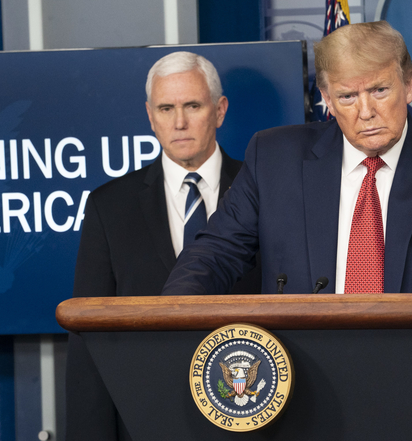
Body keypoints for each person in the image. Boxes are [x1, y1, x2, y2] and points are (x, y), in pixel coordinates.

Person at [162, 22, 412, 439]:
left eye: (379, 91)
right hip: (307, 396)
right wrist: (168, 314)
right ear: (327, 100)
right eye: (348, 96)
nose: (365, 111)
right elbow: (217, 250)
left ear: (409, 84)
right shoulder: (276, 157)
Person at [66, 51, 261, 441]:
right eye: (166, 108)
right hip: (145, 418)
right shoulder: (110, 205)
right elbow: (89, 336)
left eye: (193, 105)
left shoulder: (264, 189)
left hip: (251, 413)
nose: (179, 122)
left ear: (219, 111)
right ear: (150, 116)